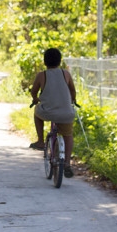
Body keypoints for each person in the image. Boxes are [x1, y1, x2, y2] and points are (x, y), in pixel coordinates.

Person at [29, 48, 77, 178]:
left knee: (36, 111)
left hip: (47, 112)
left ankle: (40, 140)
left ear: (45, 62)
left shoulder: (41, 75)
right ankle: (67, 163)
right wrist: (72, 100)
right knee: (68, 135)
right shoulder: (66, 74)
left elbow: (34, 91)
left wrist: (35, 99)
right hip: (66, 113)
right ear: (59, 61)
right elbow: (72, 90)